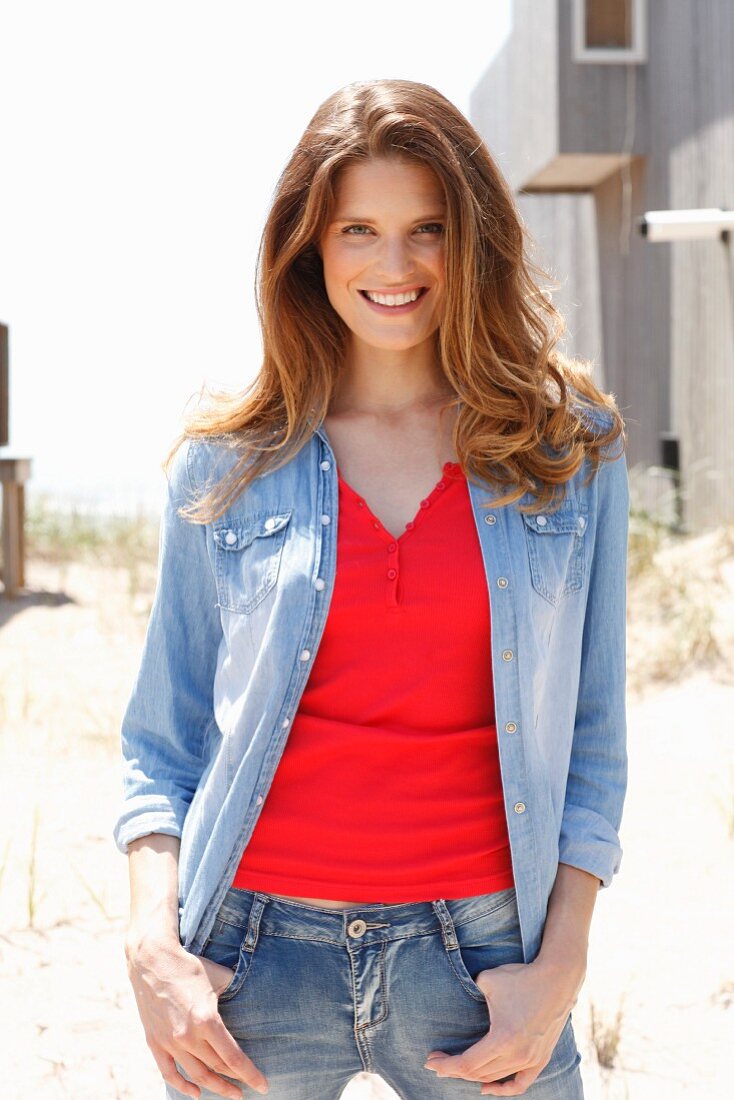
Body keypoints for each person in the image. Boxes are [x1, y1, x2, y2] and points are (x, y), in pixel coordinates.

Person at [114, 78, 630, 1100]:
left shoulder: (565, 449)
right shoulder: (226, 464)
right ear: (309, 244)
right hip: (249, 954)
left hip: (486, 958)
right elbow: (159, 744)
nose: (393, 266)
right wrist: (152, 951)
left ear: (471, 240)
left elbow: (592, 736)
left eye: (426, 228)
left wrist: (559, 964)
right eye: (358, 227)